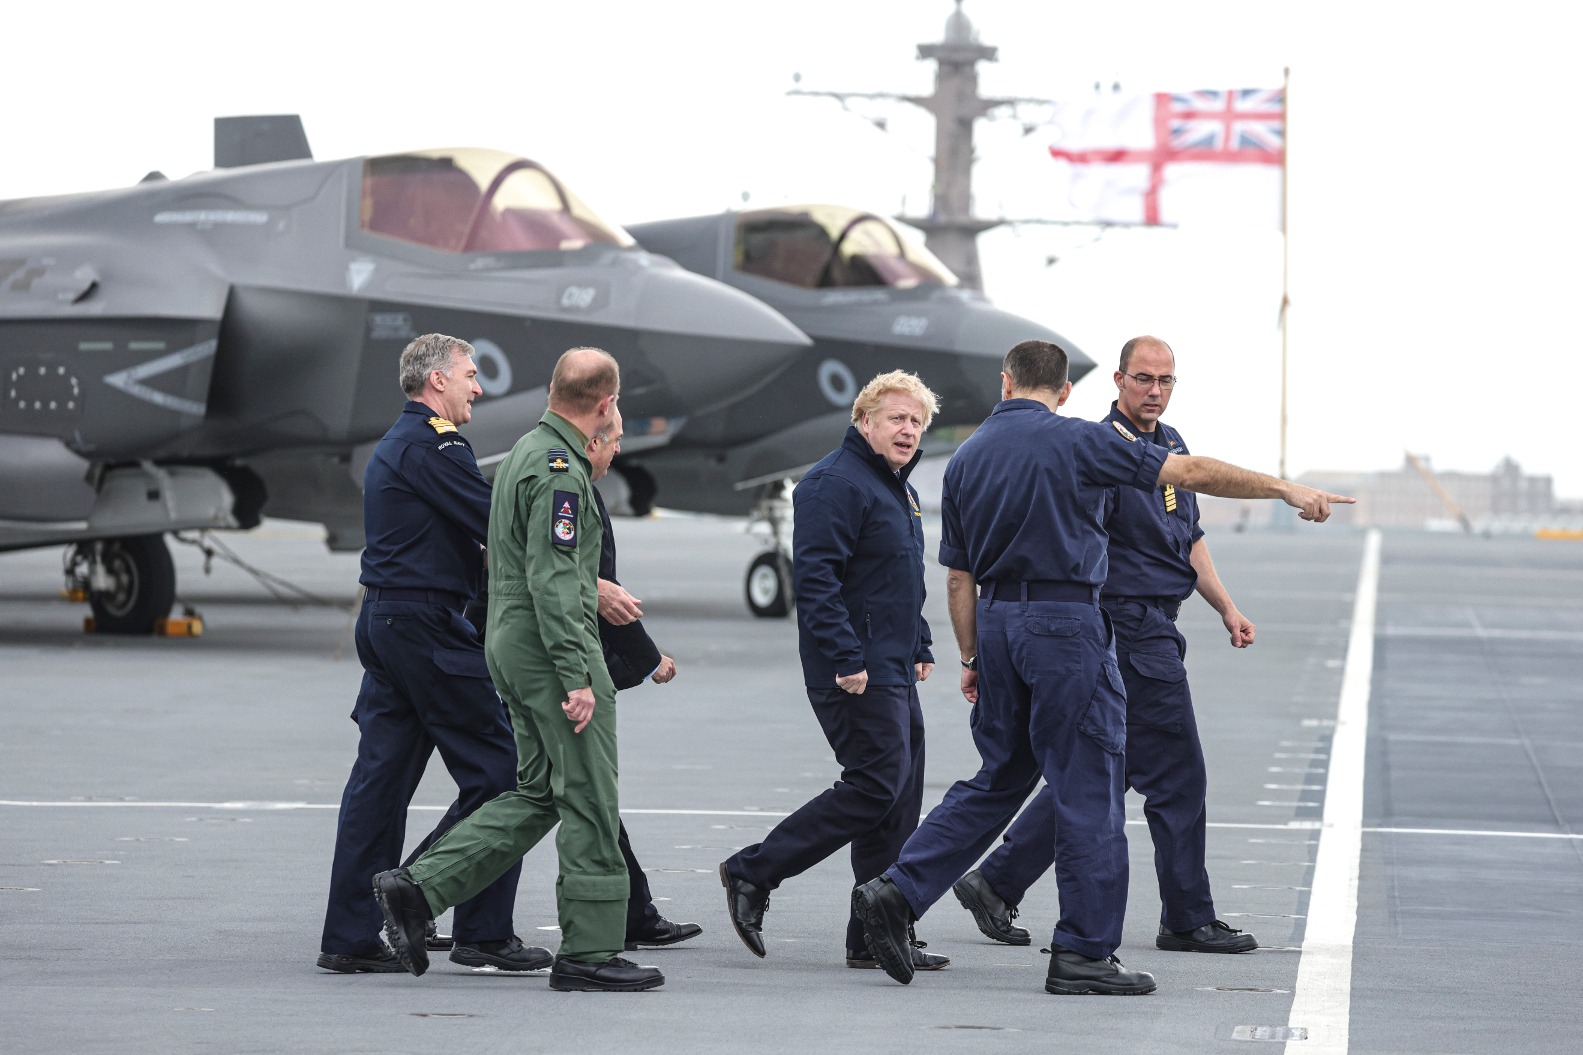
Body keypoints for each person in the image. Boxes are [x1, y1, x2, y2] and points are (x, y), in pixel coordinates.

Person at [851, 340, 1353, 994]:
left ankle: (898, 887)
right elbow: (1191, 471)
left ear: (1006, 383)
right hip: (1065, 624)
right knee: (1090, 782)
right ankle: (1084, 952)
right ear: (1063, 391)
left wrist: (972, 656)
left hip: (998, 623)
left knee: (998, 775)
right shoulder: (1080, 442)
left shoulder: (966, 457)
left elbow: (956, 577)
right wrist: (1284, 487)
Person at [953, 336, 1263, 955]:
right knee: (1176, 775)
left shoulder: (1169, 445)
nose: (1155, 390)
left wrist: (1226, 606)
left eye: (1166, 380)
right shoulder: (1101, 451)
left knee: (1108, 770)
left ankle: (997, 879)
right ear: (1117, 381)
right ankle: (1185, 916)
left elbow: (1189, 538)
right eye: (1144, 379)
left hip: (1156, 624)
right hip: (1123, 626)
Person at [374, 347, 666, 993]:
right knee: (589, 794)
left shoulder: (524, 452)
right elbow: (557, 580)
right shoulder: (562, 470)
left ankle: (419, 888)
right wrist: (576, 674)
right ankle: (589, 950)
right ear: (605, 403)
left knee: (537, 793)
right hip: (548, 647)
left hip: (508, 643)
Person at [317, 333, 543, 975]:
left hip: (390, 621)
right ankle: (470, 924)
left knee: (380, 786)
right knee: (506, 773)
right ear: (436, 381)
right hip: (425, 628)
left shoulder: (401, 443)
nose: (478, 386)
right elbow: (498, 526)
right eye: (470, 375)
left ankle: (350, 937)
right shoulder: (436, 443)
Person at [721, 371, 948, 972]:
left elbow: (901, 577)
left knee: (897, 798)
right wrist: (847, 658)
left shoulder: (897, 487)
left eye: (916, 421)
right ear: (864, 421)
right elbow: (816, 581)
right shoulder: (831, 484)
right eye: (897, 418)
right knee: (876, 785)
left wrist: (920, 640)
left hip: (893, 662)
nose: (908, 429)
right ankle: (752, 871)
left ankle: (873, 932)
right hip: (853, 668)